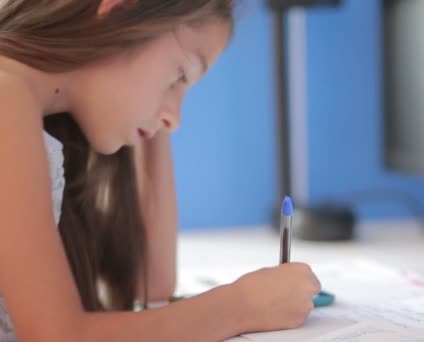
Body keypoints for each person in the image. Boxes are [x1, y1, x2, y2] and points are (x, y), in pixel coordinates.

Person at [0, 0, 321, 341]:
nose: (175, 119)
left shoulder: (34, 112)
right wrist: (244, 305)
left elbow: (151, 283)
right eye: (180, 76)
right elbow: (56, 336)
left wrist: (149, 114)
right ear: (121, 11)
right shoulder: (6, 97)